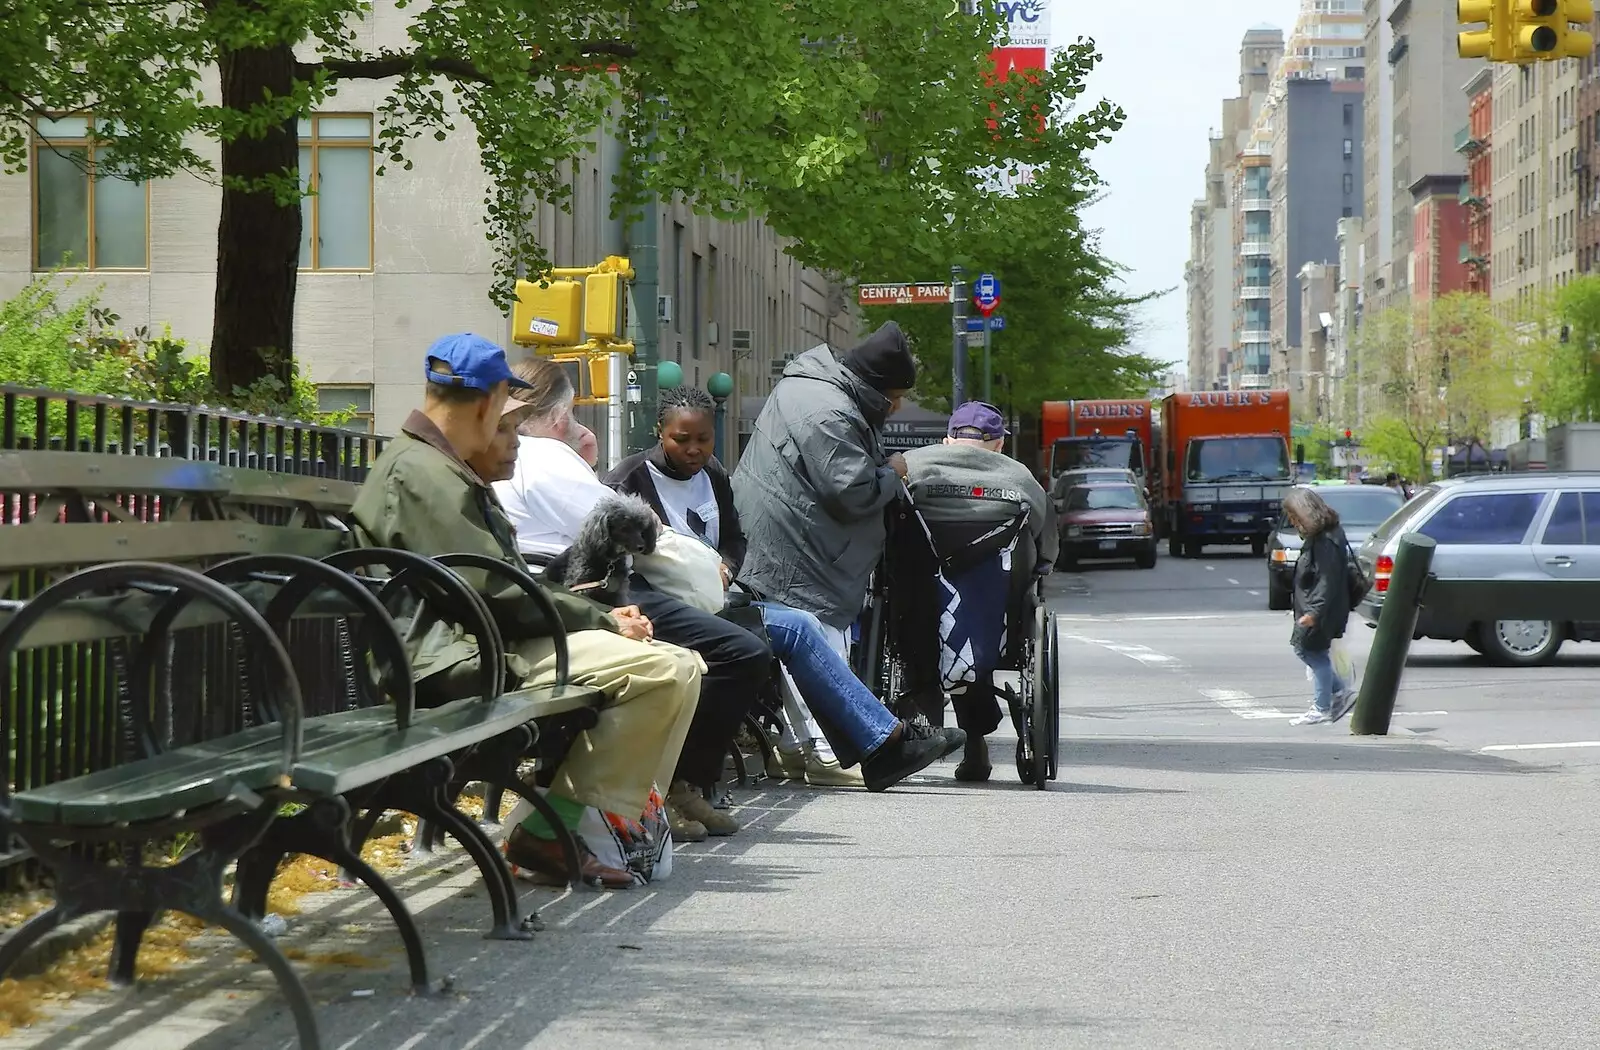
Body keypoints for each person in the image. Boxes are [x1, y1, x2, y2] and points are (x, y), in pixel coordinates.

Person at [350, 334, 702, 890]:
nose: (507, 429)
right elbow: (491, 586)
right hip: (450, 659)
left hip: (477, 642)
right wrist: (603, 619)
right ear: (488, 400)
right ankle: (557, 827)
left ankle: (599, 820)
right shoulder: (424, 473)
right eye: (506, 414)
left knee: (681, 665)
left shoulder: (437, 466)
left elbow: (491, 583)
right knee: (662, 670)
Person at [608, 386, 961, 792]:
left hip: (716, 599)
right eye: (681, 439)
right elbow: (617, 562)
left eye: (703, 439)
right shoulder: (628, 479)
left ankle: (859, 744)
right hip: (663, 610)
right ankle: (884, 742)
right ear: (660, 432)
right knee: (794, 629)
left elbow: (735, 538)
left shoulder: (715, 473)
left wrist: (727, 565)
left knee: (801, 622)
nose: (693, 450)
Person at [493, 359, 769, 840]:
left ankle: (657, 795)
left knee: (696, 659)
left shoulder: (507, 459)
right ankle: (640, 802)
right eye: (576, 416)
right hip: (562, 604)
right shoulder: (544, 456)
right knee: (695, 662)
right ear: (560, 415)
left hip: (555, 602)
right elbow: (631, 530)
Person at [732, 321, 915, 645]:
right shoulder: (830, 413)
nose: (898, 407)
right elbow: (853, 492)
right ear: (875, 387)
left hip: (771, 556)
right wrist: (894, 470)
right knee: (819, 683)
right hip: (800, 578)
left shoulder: (811, 388)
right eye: (895, 397)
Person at [902, 401, 1056, 781]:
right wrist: (1042, 569)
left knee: (932, 617)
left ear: (947, 439)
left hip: (916, 603)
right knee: (975, 620)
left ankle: (919, 734)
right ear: (1000, 444)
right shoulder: (1019, 478)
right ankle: (975, 742)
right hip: (992, 608)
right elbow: (1046, 538)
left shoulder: (911, 465)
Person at [1282, 486, 1355, 725]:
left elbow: (1327, 579)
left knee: (1311, 651)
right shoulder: (1323, 535)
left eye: (1295, 517)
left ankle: (1324, 705)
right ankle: (1338, 692)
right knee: (1310, 650)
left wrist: (1314, 612)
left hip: (1322, 610)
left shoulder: (1326, 540)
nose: (1293, 522)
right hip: (1319, 608)